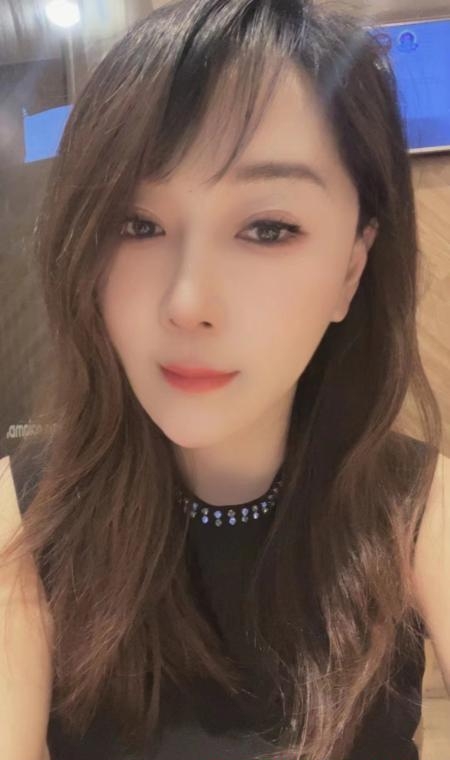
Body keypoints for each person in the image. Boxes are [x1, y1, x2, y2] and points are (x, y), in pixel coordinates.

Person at [0, 1, 447, 759]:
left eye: (267, 228)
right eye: (137, 224)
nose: (186, 303)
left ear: (351, 267)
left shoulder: (422, 509)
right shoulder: (24, 517)